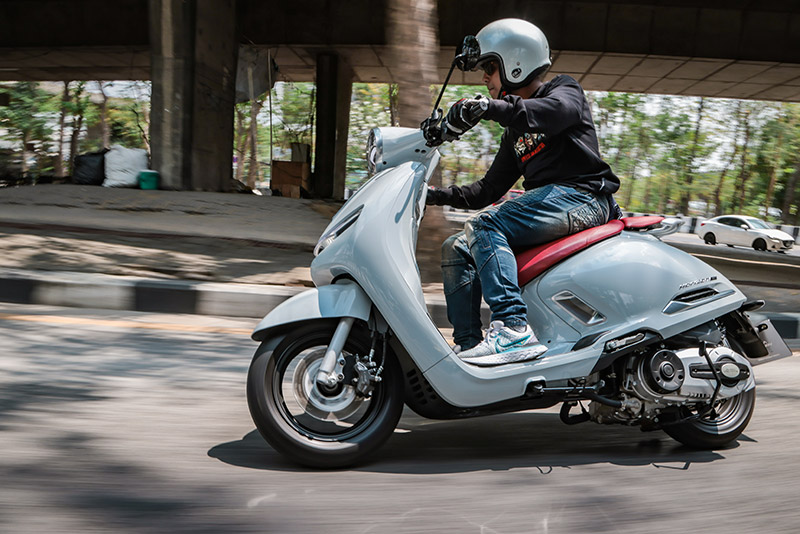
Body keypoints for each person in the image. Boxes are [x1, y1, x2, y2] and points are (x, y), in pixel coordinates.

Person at [426, 18, 621, 367]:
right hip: (554, 207)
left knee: (485, 224)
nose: (485, 79)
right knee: (456, 246)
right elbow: (487, 190)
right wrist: (433, 195)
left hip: (586, 198)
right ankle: (469, 348)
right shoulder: (514, 133)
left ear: (515, 64)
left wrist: (488, 109)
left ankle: (513, 329)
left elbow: (555, 113)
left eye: (489, 68)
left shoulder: (563, 90)